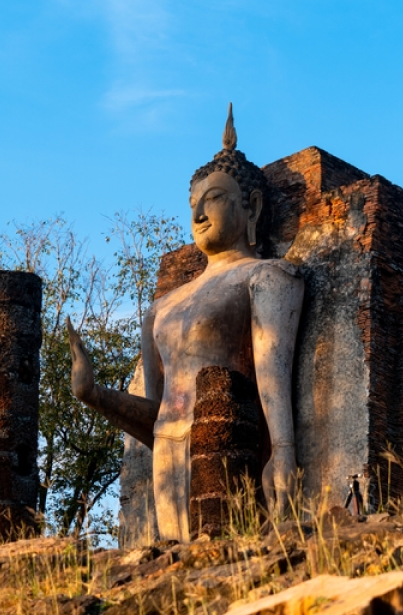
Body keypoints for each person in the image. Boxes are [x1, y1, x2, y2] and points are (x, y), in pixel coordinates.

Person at [68, 105, 304, 542]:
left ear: (250, 206)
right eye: (192, 202)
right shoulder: (161, 308)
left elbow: (273, 378)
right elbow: (157, 418)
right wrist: (93, 394)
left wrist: (284, 454)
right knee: (182, 571)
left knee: (228, 556)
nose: (197, 213)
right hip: (168, 453)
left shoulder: (265, 277)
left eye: (212, 198)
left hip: (230, 444)